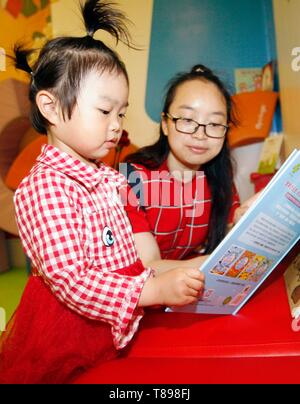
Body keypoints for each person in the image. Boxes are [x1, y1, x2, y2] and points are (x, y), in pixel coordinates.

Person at [0, 0, 204, 384]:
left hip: (114, 319)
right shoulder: (45, 188)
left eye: (121, 113)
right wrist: (152, 290)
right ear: (51, 107)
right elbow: (72, 279)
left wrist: (168, 274)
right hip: (68, 331)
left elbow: (129, 252)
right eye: (104, 111)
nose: (116, 125)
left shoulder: (105, 177)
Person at [122, 65, 241, 271]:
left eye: (214, 123)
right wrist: (214, 264)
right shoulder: (133, 177)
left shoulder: (220, 177)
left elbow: (228, 240)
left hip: (189, 289)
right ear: (166, 124)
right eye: (187, 119)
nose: (200, 134)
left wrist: (245, 223)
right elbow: (147, 267)